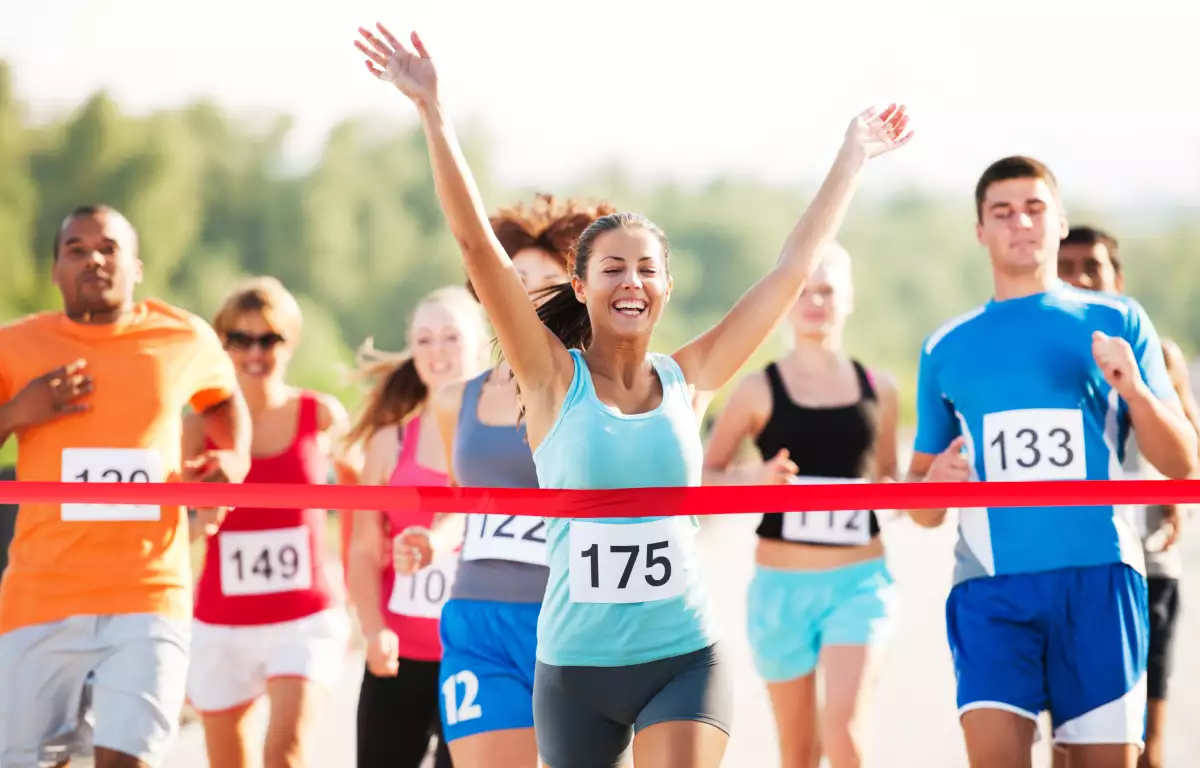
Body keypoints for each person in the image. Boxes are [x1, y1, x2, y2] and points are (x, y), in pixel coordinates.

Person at [355, 21, 913, 768]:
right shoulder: (549, 380)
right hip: (574, 671)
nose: (631, 281)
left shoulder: (694, 380)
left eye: (647, 268)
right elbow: (477, 254)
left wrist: (853, 156)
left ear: (666, 287)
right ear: (580, 288)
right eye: (612, 268)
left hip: (682, 658)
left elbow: (788, 272)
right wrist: (433, 111)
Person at [906, 157, 1199, 768]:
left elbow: (1182, 463)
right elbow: (923, 510)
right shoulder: (945, 344)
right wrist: (933, 483)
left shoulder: (1117, 320)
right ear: (980, 231)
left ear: (1060, 222)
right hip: (990, 588)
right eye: (1002, 212)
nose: (1021, 223)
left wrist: (1137, 393)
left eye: (1035, 208)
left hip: (1101, 582)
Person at [0, 205, 252, 768]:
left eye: (109, 248)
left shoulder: (182, 336)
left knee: (130, 760)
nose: (94, 258)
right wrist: (19, 410)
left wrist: (232, 456)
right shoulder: (13, 346)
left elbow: (224, 401)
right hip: (40, 594)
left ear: (135, 266)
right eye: (77, 248)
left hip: (148, 591)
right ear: (55, 270)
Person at [392, 194, 614, 768]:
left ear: (575, 293)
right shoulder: (453, 400)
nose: (527, 294)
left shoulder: (596, 390)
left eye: (546, 281)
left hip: (575, 615)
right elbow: (462, 510)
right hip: (480, 616)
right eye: (514, 279)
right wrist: (432, 540)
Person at [702, 242, 900, 768]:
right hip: (780, 591)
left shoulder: (881, 389)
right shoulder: (755, 390)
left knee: (843, 729)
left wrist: (927, 483)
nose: (815, 302)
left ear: (849, 298)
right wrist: (756, 479)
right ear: (786, 300)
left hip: (860, 585)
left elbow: (889, 484)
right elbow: (701, 478)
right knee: (799, 752)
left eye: (828, 291)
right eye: (804, 291)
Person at [183, 277, 358, 768]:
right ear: (223, 345)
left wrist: (359, 583)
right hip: (222, 622)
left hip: (303, 618)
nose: (255, 352)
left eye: (269, 339)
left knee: (285, 755)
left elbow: (363, 508)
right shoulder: (198, 425)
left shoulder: (321, 415)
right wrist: (206, 513)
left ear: (290, 343)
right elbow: (176, 532)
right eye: (240, 339)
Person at [1056, 226, 1199, 768]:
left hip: (1151, 560)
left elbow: (1190, 450)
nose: (1079, 278)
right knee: (1069, 741)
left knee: (1147, 738)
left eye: (1092, 266)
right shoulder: (1054, 355)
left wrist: (1174, 495)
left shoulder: (1156, 350)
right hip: (1076, 562)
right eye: (1066, 266)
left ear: (1118, 277)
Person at [346, 285, 489, 768]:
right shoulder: (391, 442)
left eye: (451, 337)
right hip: (400, 656)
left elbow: (476, 516)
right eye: (424, 340)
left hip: (479, 659)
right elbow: (364, 550)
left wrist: (438, 540)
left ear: (480, 344)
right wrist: (373, 630)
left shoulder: (508, 439)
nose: (437, 352)